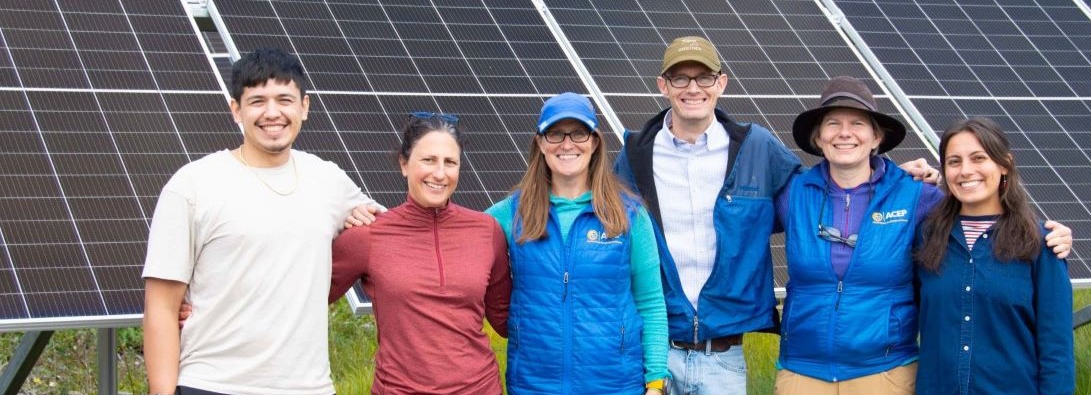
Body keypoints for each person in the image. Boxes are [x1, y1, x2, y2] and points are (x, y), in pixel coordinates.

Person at [614, 37, 939, 395]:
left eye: (704, 77)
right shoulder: (634, 154)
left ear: (721, 83)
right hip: (660, 349)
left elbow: (839, 192)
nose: (694, 88)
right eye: (680, 78)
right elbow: (608, 226)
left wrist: (899, 179)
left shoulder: (757, 147)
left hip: (731, 354)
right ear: (663, 85)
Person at [773, 77, 1073, 395]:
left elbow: (975, 202)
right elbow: (734, 224)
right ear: (817, 137)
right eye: (832, 123)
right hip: (804, 371)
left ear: (877, 137)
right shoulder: (793, 194)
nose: (844, 133)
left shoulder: (918, 198)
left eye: (858, 123)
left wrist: (1052, 235)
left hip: (885, 372)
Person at [142, 48, 377, 395]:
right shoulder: (192, 185)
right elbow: (160, 307)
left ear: (305, 107)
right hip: (212, 383)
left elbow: (394, 232)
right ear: (236, 109)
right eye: (257, 101)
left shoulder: (329, 181)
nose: (272, 113)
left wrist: (365, 217)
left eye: (285, 99)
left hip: (308, 387)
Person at [486, 92, 669, 394]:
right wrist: (382, 219)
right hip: (534, 386)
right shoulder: (509, 214)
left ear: (595, 142)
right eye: (555, 133)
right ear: (541, 143)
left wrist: (656, 383)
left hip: (616, 385)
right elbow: (453, 235)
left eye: (579, 132)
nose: (567, 144)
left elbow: (650, 303)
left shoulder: (629, 214)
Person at [329, 113, 512, 394]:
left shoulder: (486, 230)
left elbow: (507, 319)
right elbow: (303, 300)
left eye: (450, 162)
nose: (439, 173)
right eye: (428, 160)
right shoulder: (368, 234)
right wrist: (333, 221)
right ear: (404, 164)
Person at [913, 117, 1074, 395]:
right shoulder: (924, 237)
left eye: (978, 158)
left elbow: (1056, 348)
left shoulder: (1041, 244)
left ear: (1004, 164)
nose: (966, 171)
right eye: (954, 161)